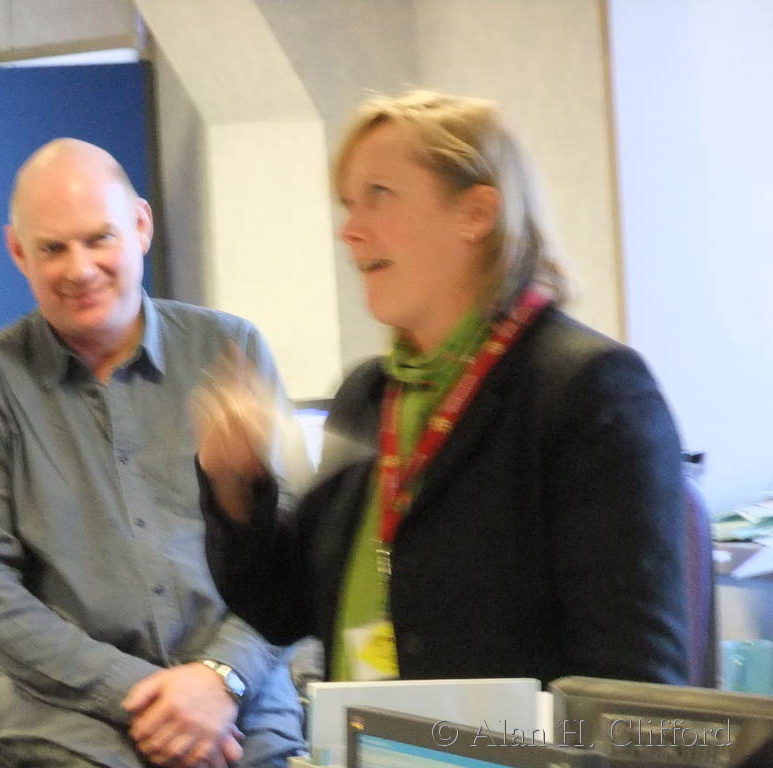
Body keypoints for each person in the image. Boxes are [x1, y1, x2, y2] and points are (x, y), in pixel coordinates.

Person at [195, 90, 692, 687]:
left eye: (379, 195)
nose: (349, 231)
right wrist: (235, 488)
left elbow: (632, 681)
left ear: (476, 214)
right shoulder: (367, 396)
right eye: (348, 203)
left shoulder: (590, 392)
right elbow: (284, 610)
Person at [0, 138, 303, 768]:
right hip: (68, 723)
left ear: (141, 226)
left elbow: (290, 553)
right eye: (53, 248)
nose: (79, 269)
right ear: (19, 252)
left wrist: (219, 678)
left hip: (241, 711)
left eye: (99, 238)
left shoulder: (232, 351)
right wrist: (155, 698)